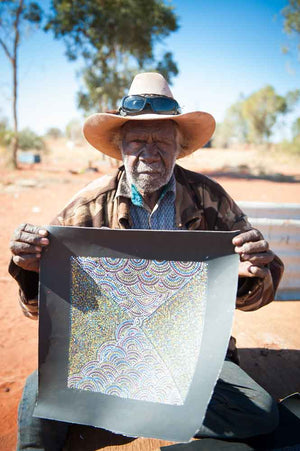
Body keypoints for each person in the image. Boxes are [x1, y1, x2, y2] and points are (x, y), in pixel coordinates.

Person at [9, 72, 284, 450]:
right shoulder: (87, 206)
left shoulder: (209, 198)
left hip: (190, 355)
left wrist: (252, 273)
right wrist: (30, 270)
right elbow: (38, 311)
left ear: (179, 146)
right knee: (39, 397)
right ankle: (138, 401)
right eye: (138, 140)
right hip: (103, 352)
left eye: (162, 141)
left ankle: (132, 405)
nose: (150, 152)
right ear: (120, 147)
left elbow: (254, 299)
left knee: (259, 412)